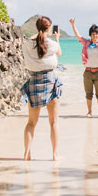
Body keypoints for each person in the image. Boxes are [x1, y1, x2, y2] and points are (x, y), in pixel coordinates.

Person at [20, 16, 62, 161]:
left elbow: (31, 44)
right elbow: (59, 53)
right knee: (54, 122)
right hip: (50, 80)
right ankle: (55, 155)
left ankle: (26, 154)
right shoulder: (51, 44)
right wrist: (57, 39)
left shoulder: (27, 44)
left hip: (34, 80)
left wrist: (37, 34)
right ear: (49, 28)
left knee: (31, 122)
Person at [69, 18, 98, 117]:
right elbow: (78, 35)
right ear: (90, 35)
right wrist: (73, 24)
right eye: (93, 34)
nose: (95, 35)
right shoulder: (86, 43)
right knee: (88, 94)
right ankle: (89, 112)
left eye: (97, 34)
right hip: (88, 72)